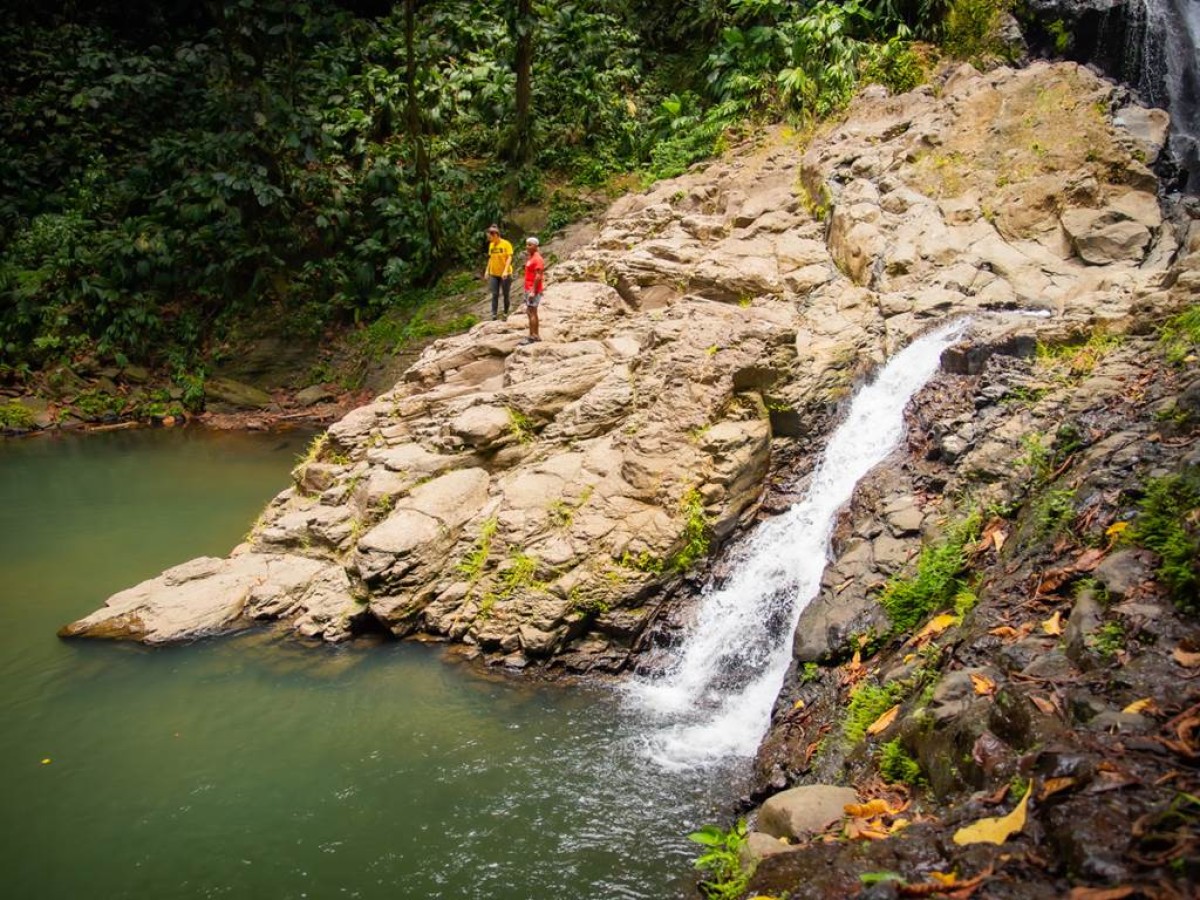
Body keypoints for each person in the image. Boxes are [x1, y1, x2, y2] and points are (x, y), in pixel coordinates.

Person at [483, 224, 513, 319]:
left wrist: (505, 271)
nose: (489, 239)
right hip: (494, 273)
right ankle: (494, 315)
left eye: (490, 237)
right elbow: (491, 258)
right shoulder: (491, 245)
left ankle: (505, 313)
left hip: (505, 274)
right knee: (495, 294)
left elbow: (509, 257)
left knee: (505, 294)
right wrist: (487, 270)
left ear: (495, 235)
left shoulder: (506, 244)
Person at [521, 236, 544, 344]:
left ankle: (533, 336)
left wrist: (533, 291)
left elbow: (538, 276)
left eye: (530, 245)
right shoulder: (531, 257)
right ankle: (534, 334)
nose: (527, 247)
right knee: (530, 312)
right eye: (527, 244)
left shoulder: (537, 259)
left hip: (532, 289)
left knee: (532, 312)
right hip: (528, 288)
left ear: (536, 246)